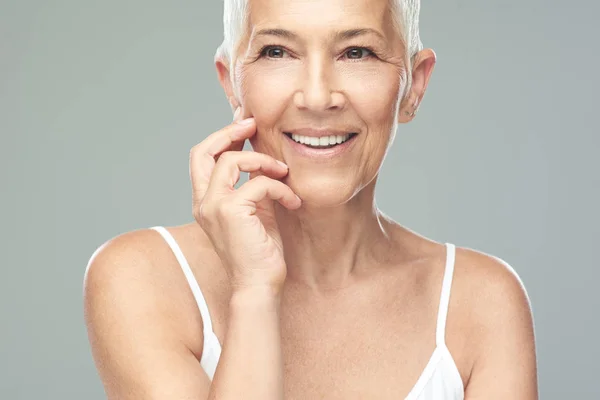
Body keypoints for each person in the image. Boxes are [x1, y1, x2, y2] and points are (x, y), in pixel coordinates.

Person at [83, 0, 538, 398]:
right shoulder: (142, 279)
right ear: (231, 84)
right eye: (277, 51)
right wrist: (254, 292)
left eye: (356, 52)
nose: (318, 97)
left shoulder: (483, 302)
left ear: (414, 86)